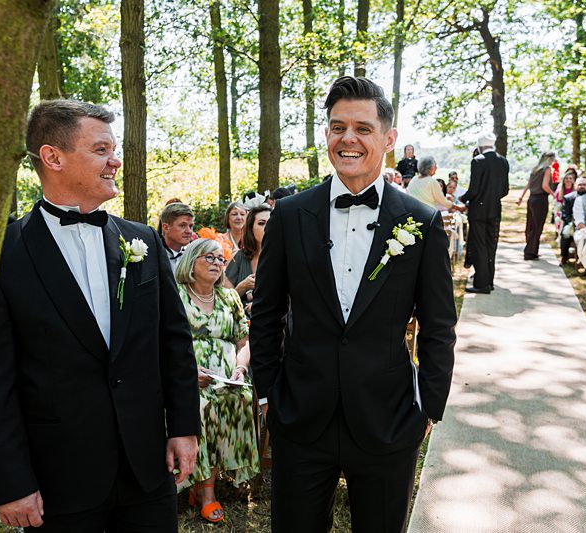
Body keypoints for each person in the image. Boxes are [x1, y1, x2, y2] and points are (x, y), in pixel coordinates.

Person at [0, 100, 200, 531]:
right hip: (58, 479)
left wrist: (184, 427)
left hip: (146, 471)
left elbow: (174, 342)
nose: (115, 161)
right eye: (100, 150)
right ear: (53, 157)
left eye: (113, 149)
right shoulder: (0, 255)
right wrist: (9, 480)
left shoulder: (141, 240)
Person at [250, 76, 456, 533]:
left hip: (389, 418)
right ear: (326, 134)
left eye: (363, 128)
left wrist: (428, 407)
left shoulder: (420, 221)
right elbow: (265, 312)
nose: (349, 139)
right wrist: (268, 394)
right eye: (337, 127)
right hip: (300, 417)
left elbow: (439, 325)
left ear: (388, 138)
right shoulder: (289, 215)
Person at [174, 238, 260, 523]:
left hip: (226, 377)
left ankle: (202, 486)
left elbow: (244, 341)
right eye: (208, 258)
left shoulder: (229, 297)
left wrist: (241, 368)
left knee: (242, 398)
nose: (216, 263)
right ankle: (206, 493)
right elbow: (164, 343)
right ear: (191, 262)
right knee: (201, 407)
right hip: (187, 377)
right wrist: (188, 373)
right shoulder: (177, 296)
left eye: (220, 259)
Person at [459, 132, 510, 293]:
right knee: (491, 246)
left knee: (479, 245)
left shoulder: (477, 161)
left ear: (480, 146)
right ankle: (490, 281)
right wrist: (492, 197)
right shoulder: (503, 161)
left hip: (478, 211)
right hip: (495, 209)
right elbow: (505, 190)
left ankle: (482, 284)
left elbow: (473, 190)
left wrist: (462, 198)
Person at [224, 204, 272, 314]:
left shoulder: (285, 256)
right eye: (261, 223)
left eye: (271, 223)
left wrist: (260, 304)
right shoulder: (240, 257)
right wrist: (242, 286)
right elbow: (223, 301)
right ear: (251, 228)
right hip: (243, 323)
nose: (267, 227)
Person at [517, 151, 555, 261]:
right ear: (549, 159)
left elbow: (528, 185)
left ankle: (533, 251)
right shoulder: (547, 169)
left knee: (530, 225)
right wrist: (554, 195)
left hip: (531, 198)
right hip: (540, 200)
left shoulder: (535, 169)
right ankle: (529, 252)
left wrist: (521, 197)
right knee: (537, 227)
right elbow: (544, 186)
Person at [560, 177, 586, 265]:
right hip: (573, 223)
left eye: (584, 184)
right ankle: (564, 257)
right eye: (579, 184)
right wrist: (572, 223)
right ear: (575, 186)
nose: (582, 186)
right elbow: (565, 214)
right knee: (565, 234)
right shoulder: (568, 197)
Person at [160, 202, 195, 270]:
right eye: (182, 225)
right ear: (166, 228)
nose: (189, 231)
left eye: (190, 226)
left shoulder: (195, 254)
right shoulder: (154, 255)